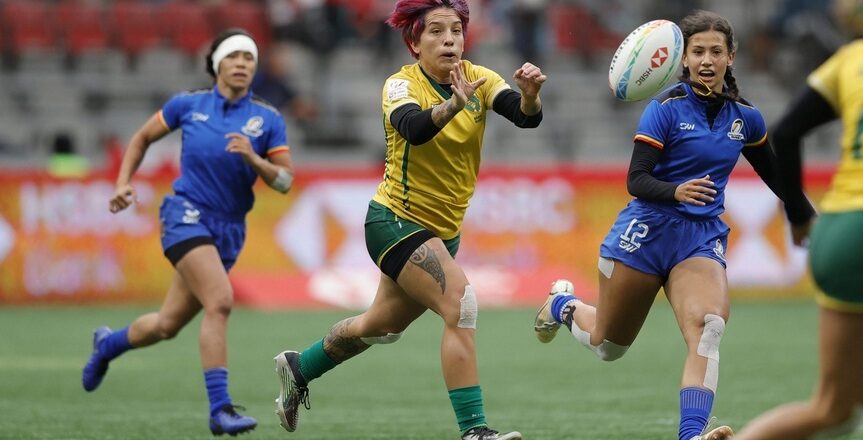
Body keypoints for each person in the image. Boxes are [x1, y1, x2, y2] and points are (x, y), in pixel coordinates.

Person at [532, 10, 814, 440]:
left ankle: (691, 434)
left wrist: (802, 212)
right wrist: (676, 190)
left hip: (698, 240)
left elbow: (775, 174)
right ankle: (562, 306)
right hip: (645, 234)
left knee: (709, 327)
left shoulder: (746, 118)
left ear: (730, 57)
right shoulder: (662, 109)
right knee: (608, 347)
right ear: (682, 59)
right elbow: (636, 180)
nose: (706, 59)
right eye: (697, 51)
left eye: (715, 51)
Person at [272, 1, 545, 439]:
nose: (450, 39)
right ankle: (475, 431)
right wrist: (453, 106)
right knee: (462, 305)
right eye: (436, 31)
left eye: (456, 29)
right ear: (414, 42)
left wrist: (530, 97)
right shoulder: (400, 85)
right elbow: (413, 128)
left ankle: (298, 368)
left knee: (380, 325)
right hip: (394, 222)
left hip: (442, 234)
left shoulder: (481, 79)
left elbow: (525, 118)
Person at [81, 28, 295, 436]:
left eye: (248, 59)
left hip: (230, 230)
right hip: (185, 215)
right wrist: (123, 181)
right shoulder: (188, 106)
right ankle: (220, 410)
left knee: (167, 325)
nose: (241, 65)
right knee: (221, 301)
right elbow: (143, 137)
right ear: (217, 64)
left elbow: (284, 181)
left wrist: (255, 159)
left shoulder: (267, 119)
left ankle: (107, 345)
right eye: (233, 57)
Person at [733, 0, 863, 438]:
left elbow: (786, 132)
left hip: (840, 230)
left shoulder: (848, 61)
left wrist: (798, 216)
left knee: (832, 407)